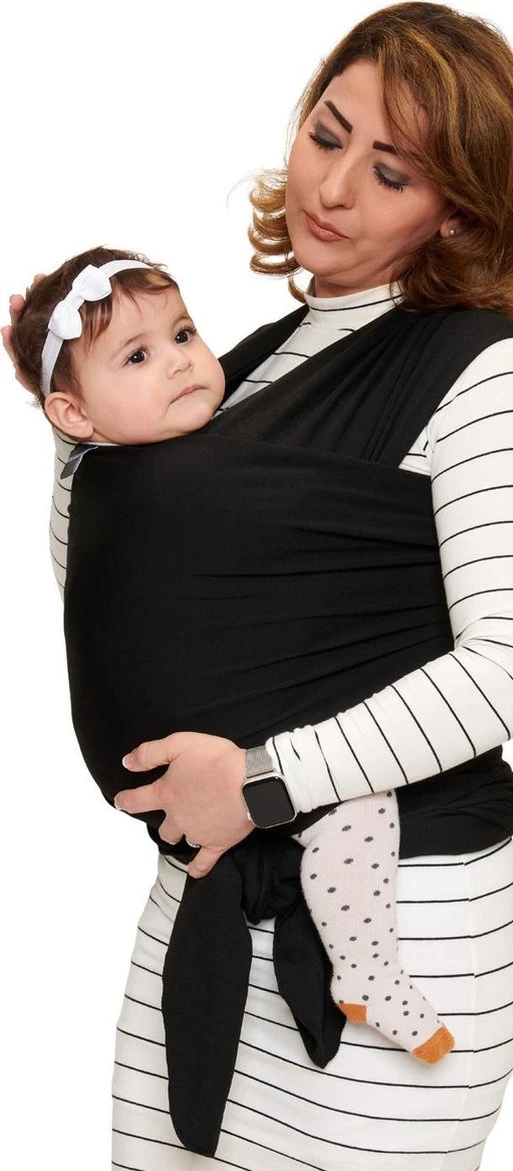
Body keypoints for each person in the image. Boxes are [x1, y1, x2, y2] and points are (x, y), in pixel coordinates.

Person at [3, 3, 513, 1171]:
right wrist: (78, 413)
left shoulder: (487, 374)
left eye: (391, 172)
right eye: (326, 134)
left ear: (456, 209)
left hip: (402, 939)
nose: (330, 188)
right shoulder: (242, 363)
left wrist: (259, 782)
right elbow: (123, 596)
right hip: (201, 923)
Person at [12, 245, 454, 1064]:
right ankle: (366, 969)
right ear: (73, 416)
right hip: (188, 736)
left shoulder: (211, 441)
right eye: (137, 357)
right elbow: (88, 587)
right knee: (357, 804)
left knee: (349, 801)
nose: (179, 361)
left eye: (183, 334)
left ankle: (358, 964)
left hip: (226, 733)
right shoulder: (113, 480)